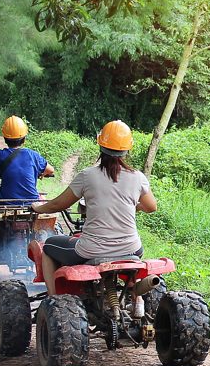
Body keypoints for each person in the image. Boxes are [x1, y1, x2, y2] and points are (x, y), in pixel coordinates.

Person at [32, 120, 157, 295]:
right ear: (128, 149)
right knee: (135, 250)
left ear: (100, 144)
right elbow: (151, 207)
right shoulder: (138, 177)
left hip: (91, 250)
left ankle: (54, 300)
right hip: (132, 248)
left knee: (48, 247)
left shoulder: (87, 175)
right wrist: (133, 206)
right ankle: (132, 293)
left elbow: (59, 204)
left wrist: (38, 208)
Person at [0, 116, 54, 200]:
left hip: (5, 201)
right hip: (31, 202)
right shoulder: (34, 155)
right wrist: (42, 173)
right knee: (42, 198)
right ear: (24, 139)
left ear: (5, 138)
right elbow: (50, 170)